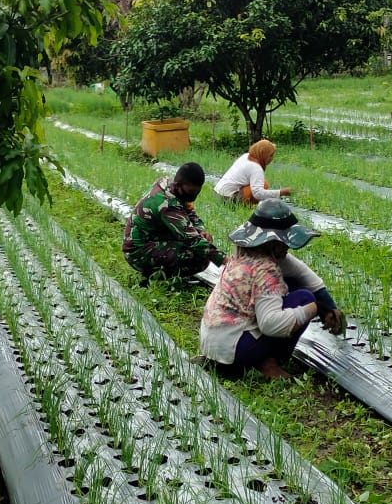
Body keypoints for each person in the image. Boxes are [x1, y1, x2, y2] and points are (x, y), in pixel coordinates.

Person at [200, 199, 346, 379]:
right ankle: (270, 362)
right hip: (236, 348)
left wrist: (329, 306)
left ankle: (256, 358)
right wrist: (316, 308)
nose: (288, 248)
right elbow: (270, 325)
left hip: (214, 342)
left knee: (294, 284)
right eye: (284, 243)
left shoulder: (243, 253)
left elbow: (303, 274)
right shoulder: (265, 270)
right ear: (272, 243)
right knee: (305, 299)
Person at [122, 162, 226, 282]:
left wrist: (201, 230)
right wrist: (225, 261)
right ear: (178, 185)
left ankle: (164, 269)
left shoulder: (171, 185)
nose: (194, 196)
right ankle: (158, 276)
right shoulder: (166, 203)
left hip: (155, 238)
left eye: (197, 192)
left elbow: (190, 212)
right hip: (137, 252)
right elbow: (192, 240)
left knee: (200, 245)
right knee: (200, 257)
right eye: (191, 192)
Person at [213, 139, 292, 204]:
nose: (272, 159)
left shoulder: (246, 156)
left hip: (218, 193)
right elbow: (258, 193)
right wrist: (281, 192)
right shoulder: (255, 167)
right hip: (226, 198)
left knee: (261, 183)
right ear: (262, 154)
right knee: (264, 185)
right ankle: (247, 206)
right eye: (270, 156)